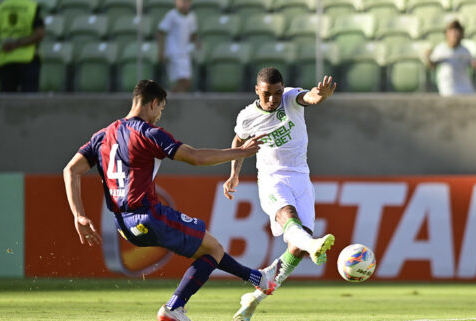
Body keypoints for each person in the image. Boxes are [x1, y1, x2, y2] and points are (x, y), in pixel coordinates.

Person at [63, 80, 276, 321]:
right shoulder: (148, 133)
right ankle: (174, 307)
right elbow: (195, 157)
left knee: (209, 250)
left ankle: (259, 279)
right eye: (161, 110)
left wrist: (78, 214)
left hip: (123, 225)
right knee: (213, 249)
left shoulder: (102, 136)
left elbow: (70, 170)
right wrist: (241, 152)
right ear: (153, 103)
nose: (159, 117)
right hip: (149, 215)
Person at [223, 67, 337, 321]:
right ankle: (313, 244)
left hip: (301, 177)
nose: (273, 99)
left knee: (296, 248)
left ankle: (255, 296)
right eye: (267, 94)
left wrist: (321, 96)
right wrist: (234, 173)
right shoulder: (247, 117)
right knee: (288, 215)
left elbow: (309, 97)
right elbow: (238, 141)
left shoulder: (289, 97)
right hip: (272, 177)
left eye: (277, 93)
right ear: (257, 91)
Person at [0, 0, 45, 92]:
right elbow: (39, 34)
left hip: (6, 59)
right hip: (28, 60)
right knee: (29, 101)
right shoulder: (32, 7)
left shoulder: (0, 8)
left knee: (6, 102)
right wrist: (17, 44)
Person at [425, 19, 476, 96]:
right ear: (447, 33)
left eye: (457, 31)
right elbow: (432, 66)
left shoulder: (465, 50)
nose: (454, 34)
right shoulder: (440, 49)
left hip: (465, 86)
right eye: (452, 31)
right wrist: (428, 58)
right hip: (448, 86)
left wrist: (475, 65)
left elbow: (473, 65)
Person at [156, 0, 199, 92]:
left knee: (185, 84)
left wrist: (197, 42)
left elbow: (193, 33)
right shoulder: (172, 15)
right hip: (173, 53)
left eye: (187, 2)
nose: (185, 4)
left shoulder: (192, 16)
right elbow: (161, 32)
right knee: (185, 82)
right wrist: (161, 51)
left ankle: (167, 97)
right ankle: (166, 98)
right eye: (182, 1)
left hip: (185, 54)